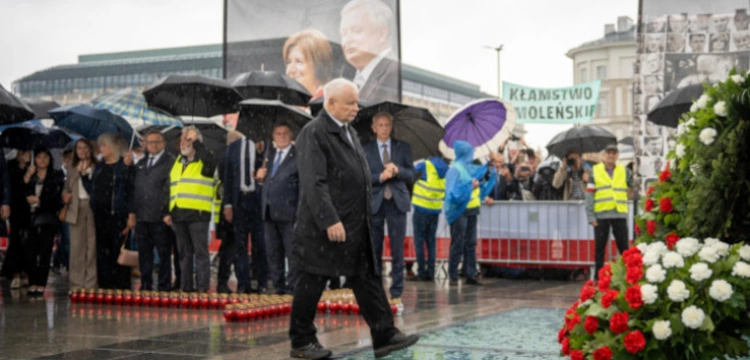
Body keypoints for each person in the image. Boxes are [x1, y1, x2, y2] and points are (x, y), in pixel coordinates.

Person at [289, 79, 418, 359]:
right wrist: (329, 219)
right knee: (311, 279)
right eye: (350, 103)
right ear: (331, 103)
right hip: (325, 226)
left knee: (367, 277)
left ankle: (384, 334)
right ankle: (301, 341)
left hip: (356, 224)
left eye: (356, 102)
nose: (356, 108)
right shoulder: (315, 132)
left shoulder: (348, 132)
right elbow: (314, 182)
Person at [364, 112, 414, 300]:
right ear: (374, 128)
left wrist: (398, 171)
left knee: (397, 248)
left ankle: (397, 290)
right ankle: (375, 288)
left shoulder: (403, 148)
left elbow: (411, 174)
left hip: (396, 203)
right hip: (375, 203)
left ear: (391, 127)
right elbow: (362, 176)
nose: (384, 128)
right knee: (374, 247)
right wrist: (380, 177)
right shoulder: (365, 149)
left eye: (387, 125)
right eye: (380, 125)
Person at [165, 126, 216, 293]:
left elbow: (210, 165)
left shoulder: (205, 159)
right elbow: (170, 187)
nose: (183, 143)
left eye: (188, 140)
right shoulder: (178, 161)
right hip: (179, 214)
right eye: (182, 140)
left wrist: (196, 142)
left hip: (198, 214)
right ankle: (186, 288)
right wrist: (167, 211)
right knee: (184, 254)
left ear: (196, 142)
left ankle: (202, 288)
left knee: (200, 254)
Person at [83, 134, 134, 290]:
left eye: (104, 146)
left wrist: (131, 214)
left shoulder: (124, 166)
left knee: (118, 252)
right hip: (100, 216)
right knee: (102, 253)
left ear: (113, 148)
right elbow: (92, 190)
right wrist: (84, 176)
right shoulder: (100, 167)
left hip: (118, 215)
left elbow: (130, 190)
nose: (101, 149)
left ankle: (121, 288)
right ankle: (105, 286)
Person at [131, 130, 177, 291]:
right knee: (144, 254)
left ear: (164, 143)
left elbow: (171, 188)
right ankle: (146, 284)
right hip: (142, 217)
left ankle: (164, 285)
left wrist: (166, 211)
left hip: (160, 217)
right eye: (150, 142)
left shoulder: (171, 162)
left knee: (164, 254)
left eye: (157, 142)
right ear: (145, 144)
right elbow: (134, 187)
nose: (154, 145)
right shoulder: (140, 163)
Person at [444, 140, 496, 286]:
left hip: (472, 209)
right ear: (464, 153)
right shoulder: (455, 169)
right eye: (470, 153)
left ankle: (470, 274)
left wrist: (490, 164)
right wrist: (470, 186)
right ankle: (453, 274)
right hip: (459, 211)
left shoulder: (469, 168)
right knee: (458, 243)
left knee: (470, 243)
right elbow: (452, 193)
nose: (472, 155)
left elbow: (482, 177)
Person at [255, 123, 299, 295]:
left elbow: (302, 186)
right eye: (278, 133)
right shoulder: (269, 155)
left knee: (292, 253)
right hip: (269, 212)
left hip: (289, 214)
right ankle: (278, 286)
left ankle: (292, 287)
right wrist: (260, 179)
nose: (281, 136)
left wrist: (299, 213)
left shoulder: (297, 156)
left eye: (285, 133)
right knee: (273, 253)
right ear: (273, 136)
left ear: (291, 136)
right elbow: (269, 183)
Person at [223, 131, 268, 294]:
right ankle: (244, 284)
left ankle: (262, 283)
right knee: (240, 245)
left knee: (260, 244)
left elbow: (267, 172)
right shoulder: (233, 147)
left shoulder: (265, 145)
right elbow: (227, 177)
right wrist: (227, 204)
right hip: (239, 201)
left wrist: (261, 154)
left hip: (258, 201)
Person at [585, 144, 633, 276]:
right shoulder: (595, 171)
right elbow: (589, 195)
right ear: (603, 156)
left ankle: (628, 276)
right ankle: (597, 279)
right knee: (599, 249)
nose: (611, 155)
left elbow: (635, 186)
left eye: (614, 153)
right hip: (601, 216)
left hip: (619, 214)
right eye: (609, 153)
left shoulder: (625, 171)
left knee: (624, 248)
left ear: (617, 156)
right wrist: (591, 217)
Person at [22, 148, 64, 296]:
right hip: (29, 218)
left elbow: (58, 198)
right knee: (30, 251)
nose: (42, 160)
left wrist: (40, 201)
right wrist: (27, 179)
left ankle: (41, 283)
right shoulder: (29, 174)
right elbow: (20, 193)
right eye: (39, 157)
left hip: (47, 217)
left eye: (45, 157)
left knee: (45, 251)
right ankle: (32, 281)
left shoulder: (56, 175)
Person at [340, 0, 399, 103]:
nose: (347, 40)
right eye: (344, 33)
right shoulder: (351, 78)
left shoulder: (394, 73)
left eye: (356, 30)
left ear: (381, 34)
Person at [62, 139, 98, 291]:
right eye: (79, 148)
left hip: (92, 207)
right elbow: (65, 188)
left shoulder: (97, 167)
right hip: (76, 208)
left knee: (92, 246)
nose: (82, 151)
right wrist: (64, 195)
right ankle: (76, 284)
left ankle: (90, 284)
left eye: (85, 148)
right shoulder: (71, 168)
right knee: (76, 247)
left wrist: (86, 173)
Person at [408, 156, 448, 282]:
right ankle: (430, 272)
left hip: (421, 209)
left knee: (419, 242)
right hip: (435, 210)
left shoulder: (425, 165)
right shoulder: (446, 168)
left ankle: (421, 272)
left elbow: (410, 175)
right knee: (431, 242)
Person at [216, 130, 243, 294]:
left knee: (229, 247)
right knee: (231, 247)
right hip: (232, 207)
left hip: (225, 207)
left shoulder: (221, 154)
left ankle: (223, 280)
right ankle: (224, 281)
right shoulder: (229, 156)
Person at [1, 150, 29, 289]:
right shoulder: (12, 165)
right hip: (17, 208)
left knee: (26, 241)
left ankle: (24, 273)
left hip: (28, 209)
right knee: (16, 240)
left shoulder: (33, 165)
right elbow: (11, 184)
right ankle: (16, 273)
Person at [283, 29, 334, 101]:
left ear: (319, 65)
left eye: (299, 61)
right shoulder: (289, 103)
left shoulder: (330, 104)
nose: (291, 70)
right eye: (289, 62)